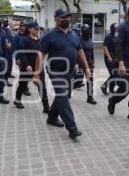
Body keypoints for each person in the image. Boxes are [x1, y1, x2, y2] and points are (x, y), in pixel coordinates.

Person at [39, 8, 91, 139]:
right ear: (56, 19)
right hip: (55, 71)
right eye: (63, 17)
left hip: (70, 71)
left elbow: (80, 51)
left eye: (68, 17)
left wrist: (86, 68)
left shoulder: (74, 34)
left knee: (62, 96)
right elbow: (41, 54)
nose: (66, 19)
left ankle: (51, 117)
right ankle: (72, 127)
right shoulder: (49, 35)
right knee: (63, 97)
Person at [14, 21, 50, 113]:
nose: (37, 30)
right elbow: (22, 54)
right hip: (27, 68)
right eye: (35, 28)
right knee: (22, 85)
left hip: (38, 67)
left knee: (42, 86)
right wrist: (27, 65)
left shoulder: (40, 41)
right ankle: (17, 100)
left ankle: (46, 107)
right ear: (29, 29)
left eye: (38, 28)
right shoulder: (25, 40)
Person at [73, 24, 97, 104]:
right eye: (86, 30)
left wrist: (93, 61)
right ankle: (68, 89)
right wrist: (75, 63)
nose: (88, 31)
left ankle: (90, 97)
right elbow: (76, 52)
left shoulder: (90, 39)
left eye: (88, 30)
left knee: (90, 80)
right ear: (82, 31)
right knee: (78, 80)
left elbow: (92, 51)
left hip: (89, 63)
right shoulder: (78, 40)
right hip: (80, 63)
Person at [13, 21, 31, 96]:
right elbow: (14, 48)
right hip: (21, 58)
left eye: (26, 26)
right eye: (23, 26)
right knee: (23, 74)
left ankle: (24, 87)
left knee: (28, 74)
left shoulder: (29, 36)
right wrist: (17, 58)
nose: (24, 27)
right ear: (20, 27)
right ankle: (24, 88)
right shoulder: (17, 37)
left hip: (29, 58)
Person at [101, 23, 117, 95]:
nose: (117, 28)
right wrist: (109, 56)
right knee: (114, 74)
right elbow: (104, 47)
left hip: (115, 58)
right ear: (112, 28)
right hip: (109, 58)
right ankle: (104, 86)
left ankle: (111, 89)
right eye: (115, 27)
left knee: (114, 74)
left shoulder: (116, 36)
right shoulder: (108, 36)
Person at [0, 18, 12, 86]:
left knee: (6, 66)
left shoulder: (4, 31)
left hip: (6, 51)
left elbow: (8, 39)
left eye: (0, 22)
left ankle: (5, 80)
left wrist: (9, 44)